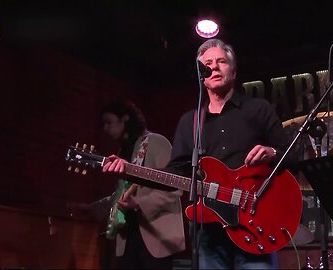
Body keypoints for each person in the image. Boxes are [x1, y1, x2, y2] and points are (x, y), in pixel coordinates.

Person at [103, 39, 292, 269]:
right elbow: (175, 174)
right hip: (209, 229)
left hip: (255, 222)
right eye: (208, 63)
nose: (214, 67)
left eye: (221, 61)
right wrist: (130, 171)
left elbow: (292, 155)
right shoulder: (190, 121)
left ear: (233, 71)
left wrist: (272, 152)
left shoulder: (258, 109)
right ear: (201, 74)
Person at [97, 99, 185, 269]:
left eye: (109, 122)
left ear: (125, 119)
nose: (105, 129)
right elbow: (122, 194)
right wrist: (93, 208)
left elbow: (175, 187)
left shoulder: (156, 142)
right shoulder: (122, 151)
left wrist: (138, 203)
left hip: (156, 239)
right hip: (127, 236)